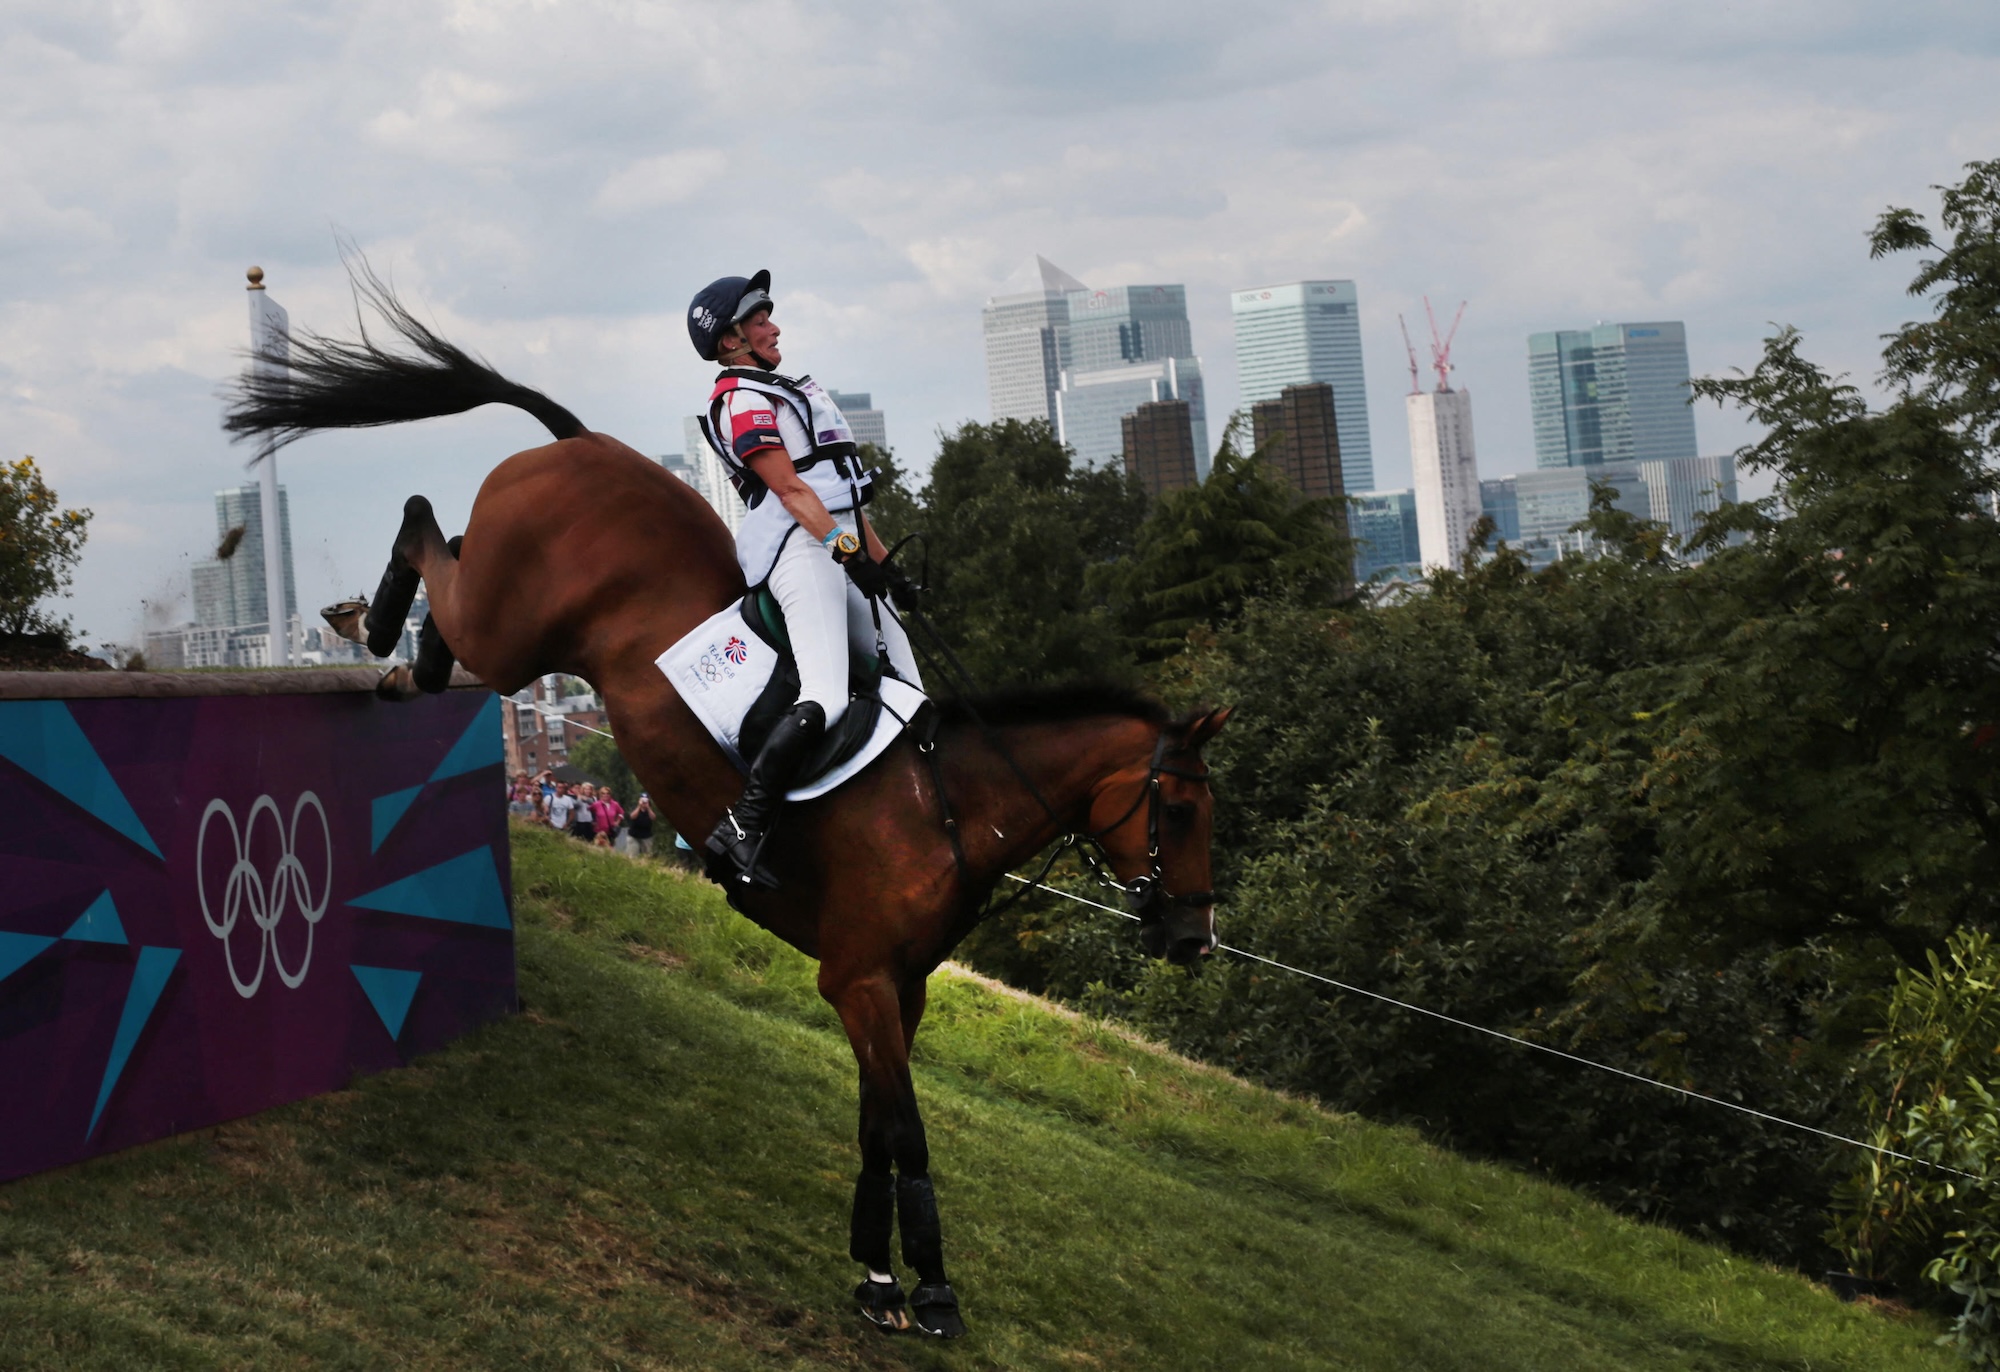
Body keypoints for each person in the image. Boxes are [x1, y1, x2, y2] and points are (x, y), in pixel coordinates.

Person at [688, 269, 923, 889]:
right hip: (801, 553)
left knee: (912, 695)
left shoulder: (786, 388)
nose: (774, 326)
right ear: (730, 341)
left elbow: (840, 494)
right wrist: (850, 554)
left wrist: (886, 569)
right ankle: (740, 828)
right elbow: (790, 490)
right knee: (827, 695)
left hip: (834, 542)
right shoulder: (740, 399)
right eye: (760, 318)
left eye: (767, 316)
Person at [623, 794, 656, 858]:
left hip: (646, 836)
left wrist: (648, 807)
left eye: (645, 800)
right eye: (642, 800)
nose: (644, 802)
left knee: (647, 856)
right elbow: (632, 817)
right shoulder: (635, 807)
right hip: (634, 836)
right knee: (633, 856)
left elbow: (653, 818)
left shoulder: (650, 809)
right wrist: (639, 806)